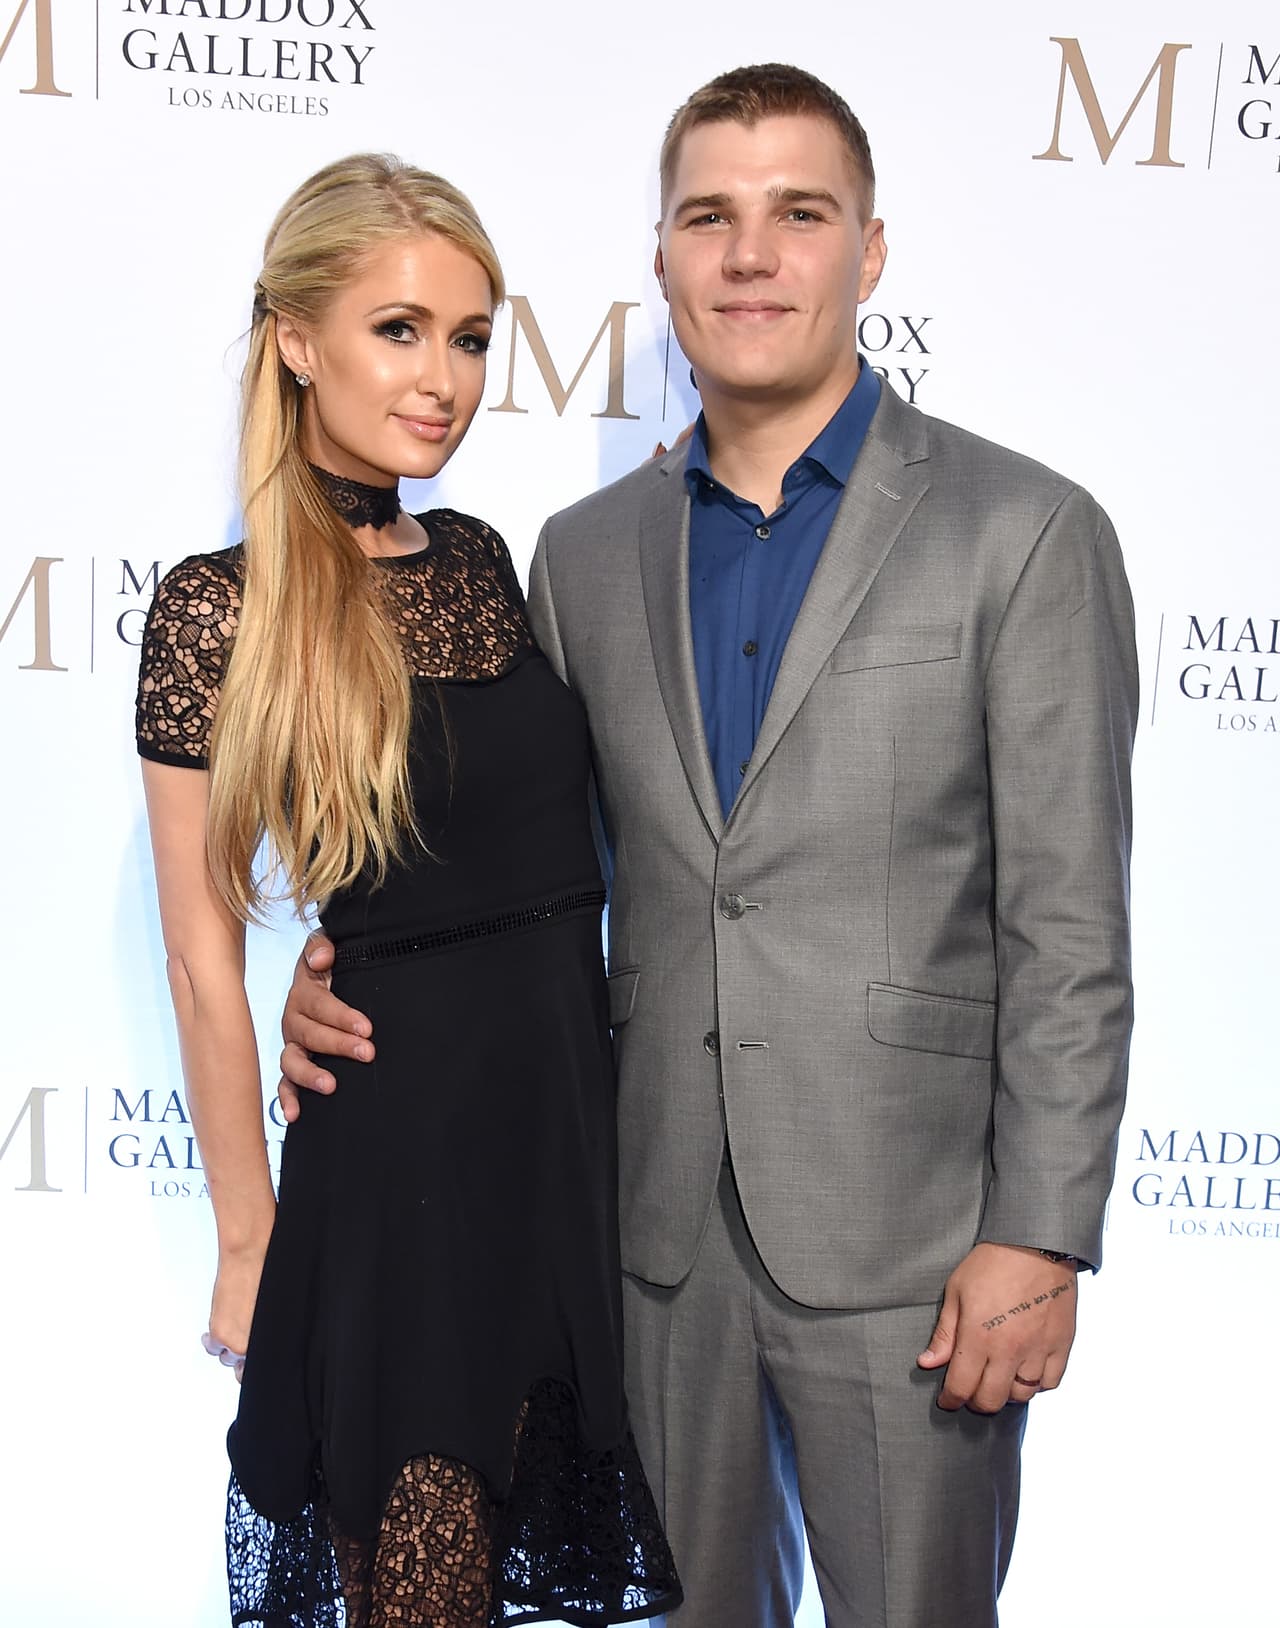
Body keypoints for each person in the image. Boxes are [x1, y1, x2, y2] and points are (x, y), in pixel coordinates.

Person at [279, 66, 1139, 1628]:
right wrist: (343, 973)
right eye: (708, 218)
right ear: (664, 259)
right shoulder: (580, 557)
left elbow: (1070, 927)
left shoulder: (1023, 532)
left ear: (869, 250)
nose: (750, 255)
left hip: (917, 1250)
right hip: (650, 1246)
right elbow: (522, 876)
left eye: (798, 213)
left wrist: (1039, 1233)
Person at [135, 153, 680, 1628]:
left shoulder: (486, 561)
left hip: (557, 1150)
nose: (444, 378)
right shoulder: (217, 606)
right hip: (401, 1177)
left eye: (471, 336)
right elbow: (199, 959)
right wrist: (246, 1242)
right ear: (297, 341)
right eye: (399, 329)